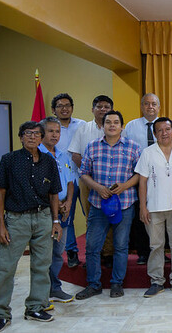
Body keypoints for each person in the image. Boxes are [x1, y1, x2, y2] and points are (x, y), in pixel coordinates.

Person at [0, 121, 63, 332]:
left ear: (41, 138)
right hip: (17, 220)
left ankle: (36, 307)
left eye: (37, 134)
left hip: (43, 219)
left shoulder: (49, 161)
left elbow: (54, 193)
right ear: (21, 137)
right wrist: (1, 225)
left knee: (41, 265)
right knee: (6, 268)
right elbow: (0, 192)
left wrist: (56, 221)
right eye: (28, 133)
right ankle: (0, 313)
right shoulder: (9, 160)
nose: (32, 137)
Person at [75, 111, 141, 300]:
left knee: (121, 246)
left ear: (122, 126)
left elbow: (139, 174)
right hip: (98, 203)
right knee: (93, 246)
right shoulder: (92, 146)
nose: (112, 125)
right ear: (103, 126)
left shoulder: (133, 147)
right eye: (108, 122)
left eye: (116, 122)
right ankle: (93, 284)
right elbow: (84, 173)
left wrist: (125, 186)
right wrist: (97, 187)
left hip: (125, 204)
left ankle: (116, 283)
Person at [136, 117, 172, 297]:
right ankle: (156, 281)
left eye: (167, 129)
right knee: (156, 246)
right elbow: (142, 181)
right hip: (154, 208)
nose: (164, 133)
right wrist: (143, 207)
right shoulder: (147, 153)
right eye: (159, 130)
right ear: (154, 134)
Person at [68, 95, 114, 267]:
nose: (103, 109)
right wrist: (91, 174)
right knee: (91, 218)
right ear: (92, 109)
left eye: (106, 106)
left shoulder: (115, 127)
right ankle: (94, 253)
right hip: (88, 181)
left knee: (110, 216)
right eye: (99, 106)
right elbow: (75, 155)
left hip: (111, 182)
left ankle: (108, 253)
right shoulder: (83, 129)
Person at [38, 117, 75, 304]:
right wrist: (55, 205)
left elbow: (70, 182)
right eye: (51, 131)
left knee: (58, 251)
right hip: (45, 210)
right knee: (44, 252)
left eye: (57, 131)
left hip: (63, 209)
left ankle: (55, 287)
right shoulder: (37, 155)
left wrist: (68, 202)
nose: (55, 135)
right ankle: (42, 290)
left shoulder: (63, 155)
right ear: (42, 133)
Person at [124, 93, 161, 265]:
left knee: (159, 215)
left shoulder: (164, 125)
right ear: (141, 106)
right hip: (138, 177)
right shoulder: (131, 126)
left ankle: (160, 251)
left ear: (158, 107)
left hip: (161, 178)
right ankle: (143, 252)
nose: (150, 107)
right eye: (146, 104)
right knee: (141, 214)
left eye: (153, 104)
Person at [51, 93, 85, 268]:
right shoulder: (50, 127)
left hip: (84, 177)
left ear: (72, 107)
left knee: (91, 216)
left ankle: (97, 251)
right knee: (67, 216)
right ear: (53, 110)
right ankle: (71, 252)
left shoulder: (82, 125)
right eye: (60, 106)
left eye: (67, 105)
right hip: (63, 181)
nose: (64, 108)